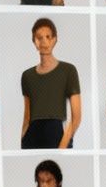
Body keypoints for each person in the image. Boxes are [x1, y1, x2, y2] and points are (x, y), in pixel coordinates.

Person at [18, 17, 81, 149]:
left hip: (57, 134)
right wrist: (22, 141)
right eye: (39, 38)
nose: (44, 42)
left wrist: (63, 145)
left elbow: (76, 116)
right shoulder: (27, 76)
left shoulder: (68, 70)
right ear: (34, 42)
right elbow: (27, 116)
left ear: (54, 39)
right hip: (32, 138)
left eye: (48, 37)